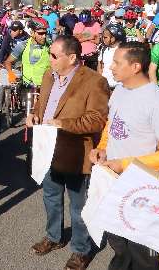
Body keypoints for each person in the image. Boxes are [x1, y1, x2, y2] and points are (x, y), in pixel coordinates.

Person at [91, 41, 159, 270]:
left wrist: (124, 164)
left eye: (116, 62)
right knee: (117, 240)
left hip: (139, 188)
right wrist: (102, 147)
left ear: (135, 67)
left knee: (141, 251)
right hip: (111, 179)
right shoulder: (121, 90)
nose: (110, 67)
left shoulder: (157, 102)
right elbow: (112, 125)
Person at [27, 36, 109, 270]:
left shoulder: (95, 81)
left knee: (78, 205)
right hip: (47, 150)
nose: (49, 59)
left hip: (75, 153)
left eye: (54, 55)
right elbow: (41, 104)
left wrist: (63, 123)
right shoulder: (48, 75)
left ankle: (81, 250)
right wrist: (35, 114)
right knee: (50, 197)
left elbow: (97, 119)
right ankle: (54, 237)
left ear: (72, 57)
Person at [97, 24, 125, 89]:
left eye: (105, 37)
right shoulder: (103, 49)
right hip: (105, 86)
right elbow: (100, 65)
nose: (103, 39)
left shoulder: (122, 50)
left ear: (113, 38)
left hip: (118, 87)